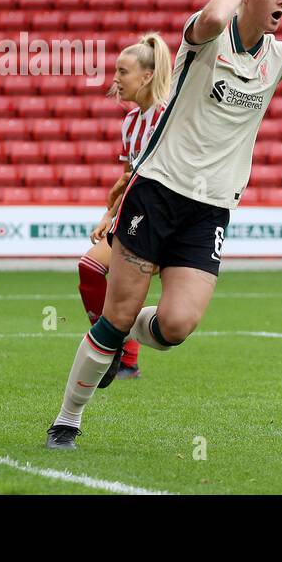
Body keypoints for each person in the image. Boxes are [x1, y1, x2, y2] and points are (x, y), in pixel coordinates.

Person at [45, 0, 282, 449]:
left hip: (211, 207)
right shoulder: (208, 36)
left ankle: (114, 339)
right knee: (120, 312)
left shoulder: (280, 56)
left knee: (175, 326)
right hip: (157, 191)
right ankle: (67, 419)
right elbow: (213, 21)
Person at [77, 33, 173, 382]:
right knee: (91, 269)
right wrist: (109, 214)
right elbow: (126, 177)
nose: (115, 79)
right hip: (132, 218)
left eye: (123, 72)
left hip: (162, 221)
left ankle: (118, 350)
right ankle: (121, 354)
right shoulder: (131, 122)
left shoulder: (166, 117)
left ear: (147, 76)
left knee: (162, 312)